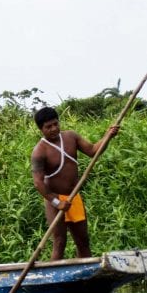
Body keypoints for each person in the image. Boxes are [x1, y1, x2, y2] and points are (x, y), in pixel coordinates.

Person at [31, 107, 119, 260]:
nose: (54, 129)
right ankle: (54, 281)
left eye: (55, 124)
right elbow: (38, 183)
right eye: (48, 127)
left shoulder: (71, 137)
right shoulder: (39, 151)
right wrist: (57, 202)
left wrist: (107, 136)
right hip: (55, 200)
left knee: (83, 241)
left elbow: (93, 151)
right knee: (60, 242)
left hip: (73, 198)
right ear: (41, 129)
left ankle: (85, 279)